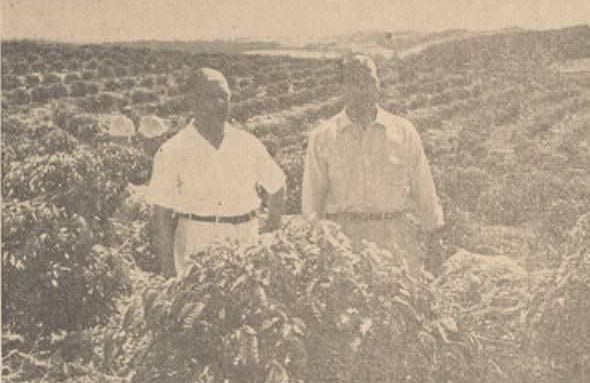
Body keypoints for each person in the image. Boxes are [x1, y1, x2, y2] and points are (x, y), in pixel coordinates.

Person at [301, 54, 444, 272]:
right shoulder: (322, 137)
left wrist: (434, 238)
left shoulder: (403, 131)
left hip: (396, 239)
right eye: (356, 82)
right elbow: (313, 200)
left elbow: (424, 188)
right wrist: (316, 247)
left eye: (370, 81)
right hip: (345, 243)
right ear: (342, 87)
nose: (365, 89)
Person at [147, 68, 286, 277]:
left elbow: (277, 185)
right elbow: (161, 216)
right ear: (192, 101)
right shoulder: (173, 150)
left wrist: (269, 233)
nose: (220, 103)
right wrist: (168, 271)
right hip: (198, 244)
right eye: (211, 97)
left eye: (224, 96)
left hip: (247, 242)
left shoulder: (247, 143)